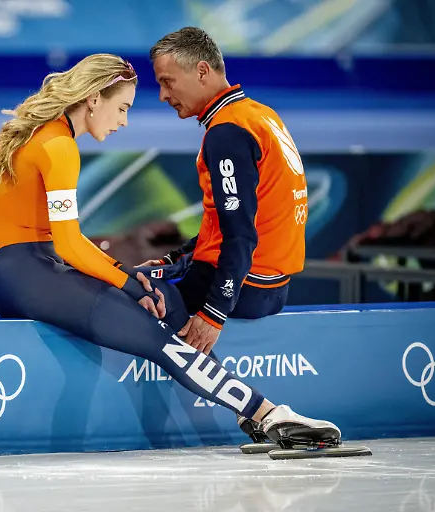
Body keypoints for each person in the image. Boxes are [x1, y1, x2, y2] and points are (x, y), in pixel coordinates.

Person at [0, 53, 341, 449]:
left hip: (25, 269)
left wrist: (137, 282)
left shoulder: (45, 135)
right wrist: (132, 286)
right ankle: (268, 414)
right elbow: (69, 244)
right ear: (94, 99)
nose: (124, 122)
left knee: (164, 296)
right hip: (25, 273)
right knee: (157, 337)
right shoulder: (59, 147)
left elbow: (66, 246)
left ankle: (251, 413)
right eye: (123, 108)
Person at [137, 27, 309, 443]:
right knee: (151, 271)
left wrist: (214, 310)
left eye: (166, 82)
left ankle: (260, 412)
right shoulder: (260, 114)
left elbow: (240, 235)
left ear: (200, 71)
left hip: (242, 284)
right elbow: (239, 221)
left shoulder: (227, 132)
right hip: (272, 282)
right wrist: (173, 259)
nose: (162, 95)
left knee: (128, 289)